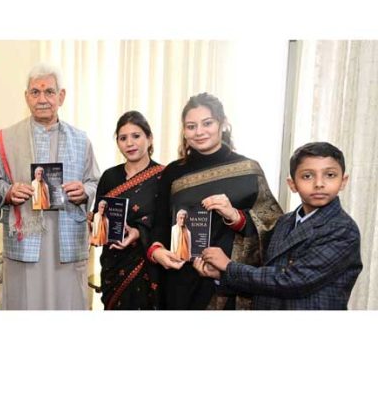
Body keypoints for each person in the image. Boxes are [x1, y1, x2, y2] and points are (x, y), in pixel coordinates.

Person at [149, 92, 283, 310]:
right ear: (184, 131)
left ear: (223, 124)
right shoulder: (173, 172)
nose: (199, 132)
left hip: (227, 284)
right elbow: (160, 223)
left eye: (207, 123)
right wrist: (156, 251)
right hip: (180, 281)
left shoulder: (248, 170)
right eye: (191, 126)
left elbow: (274, 227)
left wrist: (236, 217)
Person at [193, 142, 362, 310]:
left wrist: (229, 267)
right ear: (292, 184)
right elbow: (266, 277)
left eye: (330, 175)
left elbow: (293, 281)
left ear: (343, 181)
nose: (319, 183)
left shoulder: (342, 229)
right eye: (307, 176)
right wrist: (222, 275)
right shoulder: (284, 222)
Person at [0, 63, 100, 310]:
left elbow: (94, 181)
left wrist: (84, 192)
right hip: (25, 238)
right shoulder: (7, 138)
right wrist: (8, 192)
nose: (42, 99)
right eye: (35, 92)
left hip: (66, 240)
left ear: (61, 96)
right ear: (26, 97)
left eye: (49, 92)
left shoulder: (81, 139)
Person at [92, 110, 164, 310]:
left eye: (136, 136)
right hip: (113, 263)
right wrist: (95, 226)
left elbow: (167, 223)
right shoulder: (109, 176)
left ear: (149, 139)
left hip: (147, 264)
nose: (129, 143)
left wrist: (138, 232)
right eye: (123, 138)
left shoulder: (164, 176)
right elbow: (98, 215)